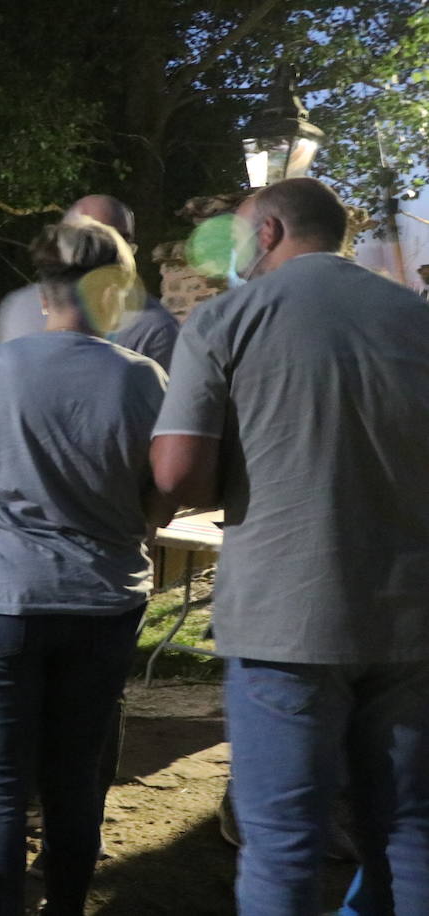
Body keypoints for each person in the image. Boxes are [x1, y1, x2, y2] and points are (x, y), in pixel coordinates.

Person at [151, 177, 429, 915]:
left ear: (268, 232)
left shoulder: (228, 320)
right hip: (412, 615)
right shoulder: (417, 316)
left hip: (287, 615)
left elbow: (178, 473)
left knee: (283, 842)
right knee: (409, 830)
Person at [0, 218, 172, 916]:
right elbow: (163, 499)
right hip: (104, 602)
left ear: (42, 290)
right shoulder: (144, 380)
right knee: (75, 780)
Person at [0, 194, 179, 370]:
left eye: (111, 242)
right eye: (84, 238)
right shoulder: (18, 306)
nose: (94, 251)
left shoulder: (155, 327)